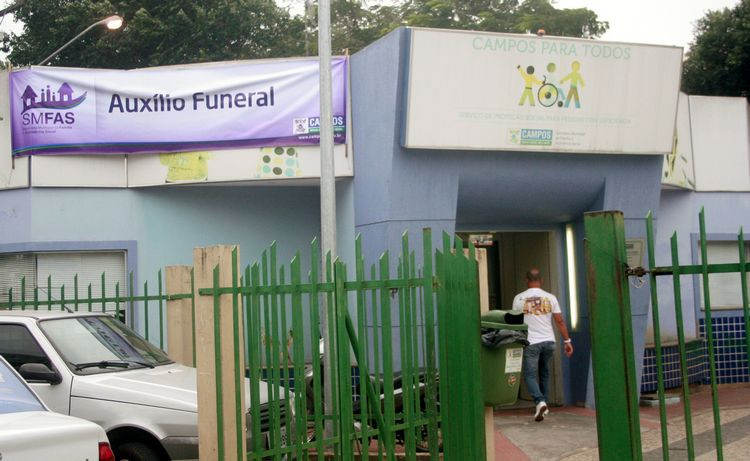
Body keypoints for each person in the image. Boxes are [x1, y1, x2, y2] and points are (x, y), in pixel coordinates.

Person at [512, 268, 573, 422]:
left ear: (527, 280)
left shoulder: (519, 298)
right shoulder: (551, 298)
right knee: (544, 372)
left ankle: (540, 401)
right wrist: (567, 341)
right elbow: (559, 321)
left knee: (530, 375)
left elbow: (514, 322)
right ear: (542, 280)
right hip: (549, 341)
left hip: (531, 342)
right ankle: (543, 404)